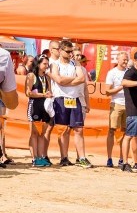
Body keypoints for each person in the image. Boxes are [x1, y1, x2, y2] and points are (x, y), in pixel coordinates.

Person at [46, 40, 91, 168]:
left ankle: (81, 157)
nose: (71, 53)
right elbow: (58, 80)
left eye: (72, 51)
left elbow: (81, 79)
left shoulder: (75, 63)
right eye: (68, 51)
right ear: (60, 51)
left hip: (74, 98)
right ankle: (64, 157)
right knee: (63, 130)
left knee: (78, 129)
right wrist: (72, 80)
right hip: (61, 99)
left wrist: (65, 81)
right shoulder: (55, 65)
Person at [25, 55, 53, 167]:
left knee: (42, 133)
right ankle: (34, 158)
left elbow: (49, 90)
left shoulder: (47, 77)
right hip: (35, 105)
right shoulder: (31, 75)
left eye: (47, 64)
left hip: (45, 106)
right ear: (38, 64)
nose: (46, 66)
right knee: (34, 133)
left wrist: (49, 95)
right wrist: (42, 94)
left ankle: (41, 157)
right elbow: (28, 92)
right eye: (44, 64)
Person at [104, 52, 129, 167]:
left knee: (125, 132)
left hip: (128, 105)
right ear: (118, 60)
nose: (125, 62)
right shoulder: (112, 73)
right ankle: (109, 158)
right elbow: (107, 91)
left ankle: (121, 158)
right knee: (111, 130)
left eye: (126, 60)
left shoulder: (129, 72)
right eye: (123, 60)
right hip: (116, 104)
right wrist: (120, 87)